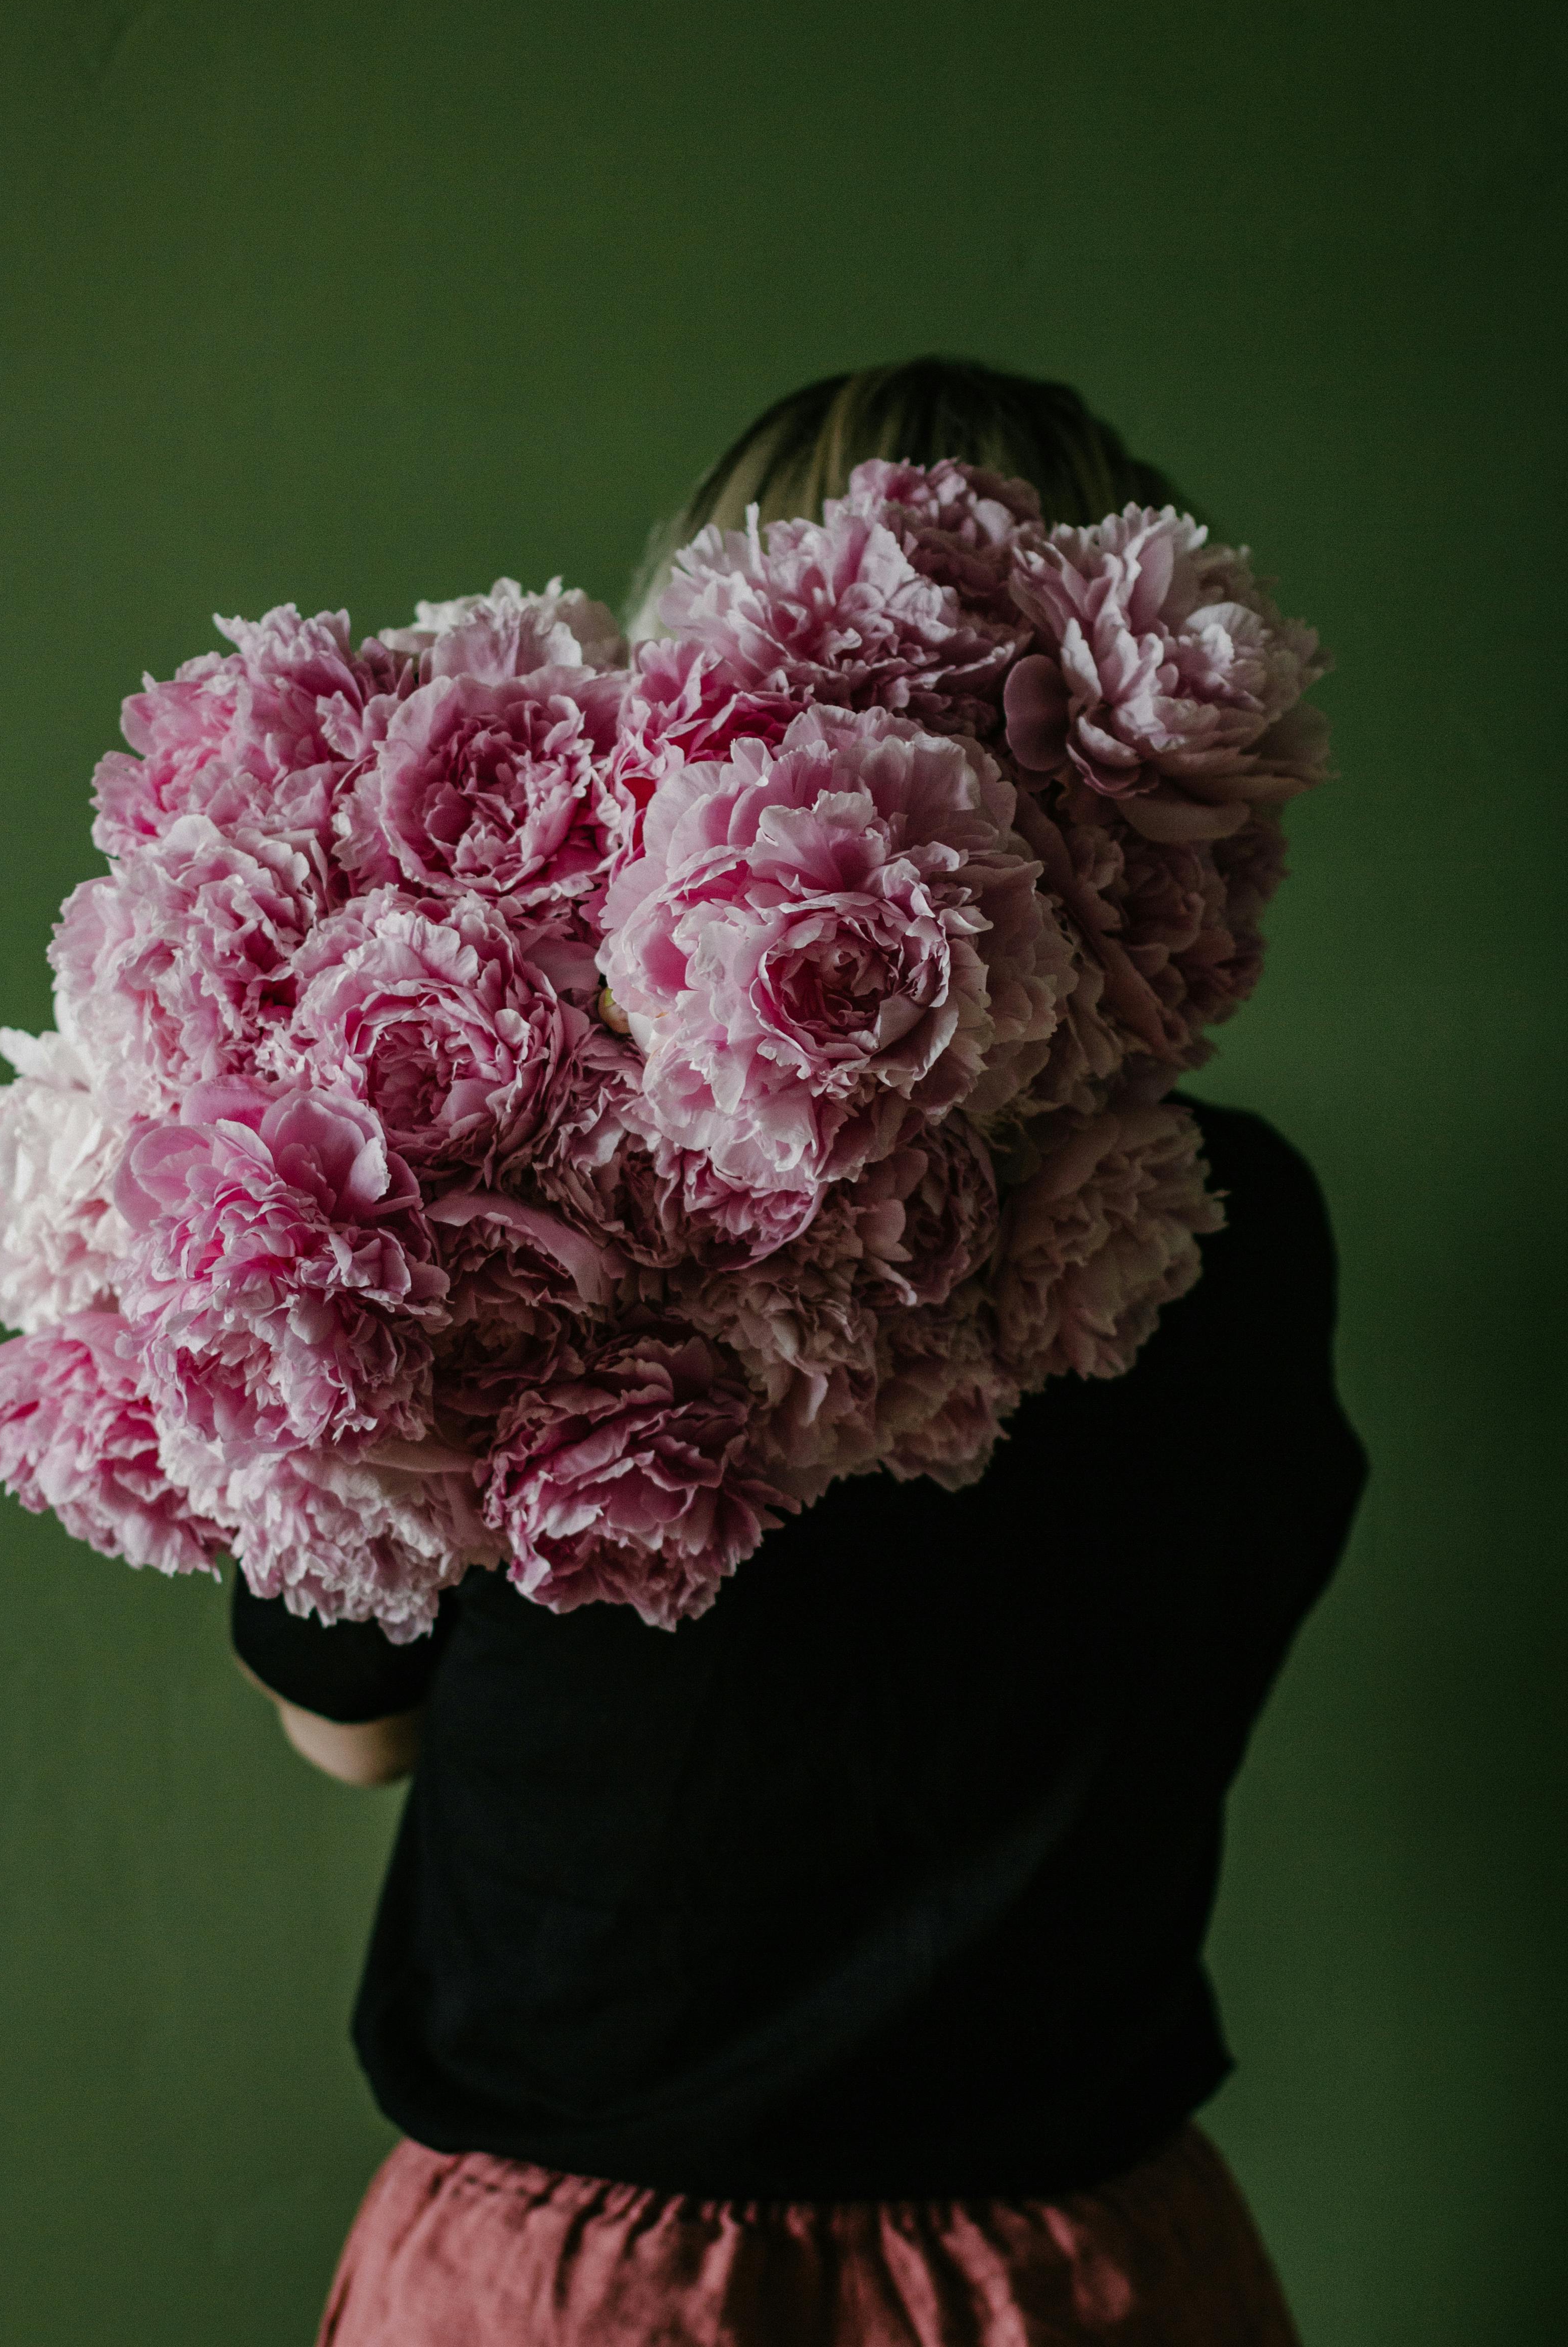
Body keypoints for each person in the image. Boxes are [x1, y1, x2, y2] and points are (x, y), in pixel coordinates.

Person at [233, 357, 1369, 2346]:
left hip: (580, 2289)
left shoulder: (494, 1178)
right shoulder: (1237, 1232)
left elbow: (352, 1729)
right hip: (1073, 2269)